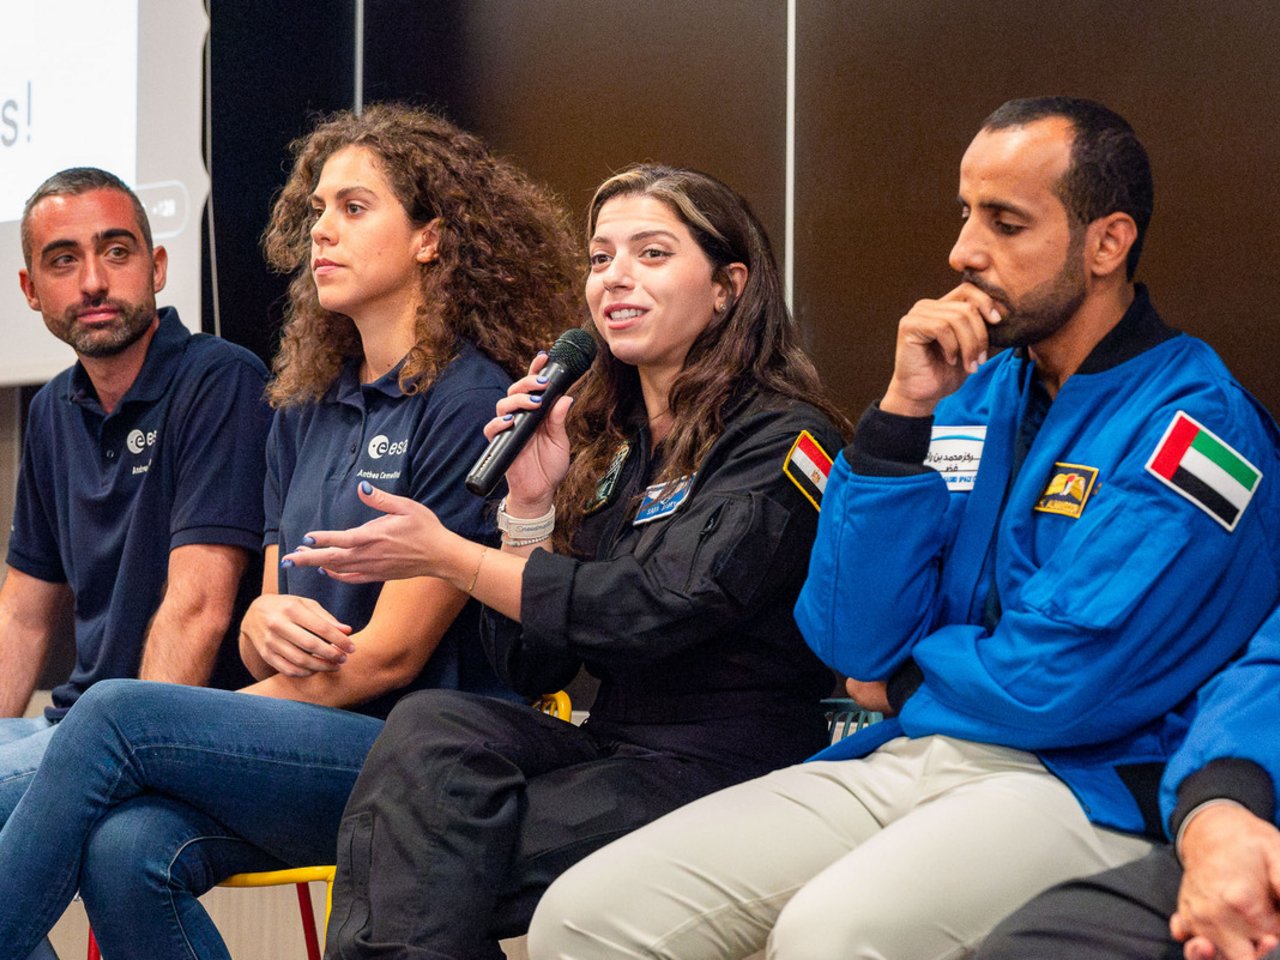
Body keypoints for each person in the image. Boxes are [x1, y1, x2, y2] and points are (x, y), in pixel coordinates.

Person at [525, 97, 1280, 960]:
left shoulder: (1197, 428)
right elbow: (852, 640)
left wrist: (909, 681)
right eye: (965, 214)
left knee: (831, 937)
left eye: (1006, 223)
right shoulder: (962, 395)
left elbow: (1060, 681)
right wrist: (897, 418)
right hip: (911, 750)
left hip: (1086, 780)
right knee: (585, 916)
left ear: (1106, 244)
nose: (963, 252)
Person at [0, 104, 580, 960]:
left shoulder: (470, 400)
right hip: (302, 742)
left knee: (116, 716)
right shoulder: (303, 402)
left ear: (429, 238)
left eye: (354, 208)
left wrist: (182, 725)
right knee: (125, 851)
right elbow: (271, 624)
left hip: (417, 754)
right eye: (316, 212)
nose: (322, 233)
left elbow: (388, 657)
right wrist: (259, 628)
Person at [279, 163, 848, 959]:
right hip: (617, 746)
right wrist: (527, 509)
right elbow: (530, 666)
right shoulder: (609, 441)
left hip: (728, 762)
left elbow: (660, 607)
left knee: (416, 872)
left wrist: (452, 558)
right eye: (600, 257)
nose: (616, 278)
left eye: (651, 254)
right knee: (432, 727)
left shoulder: (785, 436)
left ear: (728, 286)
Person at [0, 166, 269, 819]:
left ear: (158, 266)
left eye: (116, 252)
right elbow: (24, 616)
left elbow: (199, 607)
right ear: (31, 291)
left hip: (173, 729)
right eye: (64, 261)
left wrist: (133, 749)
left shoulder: (220, 379)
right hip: (72, 723)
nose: (94, 280)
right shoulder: (51, 411)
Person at [977, 605, 1280, 960]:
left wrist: (914, 686)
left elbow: (1058, 685)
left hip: (1091, 770)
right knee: (1032, 948)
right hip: (963, 729)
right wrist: (1217, 813)